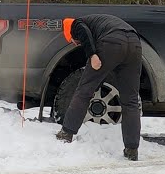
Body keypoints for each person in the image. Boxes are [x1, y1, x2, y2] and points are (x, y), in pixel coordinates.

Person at [55, 14, 143, 161]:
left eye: (74, 41)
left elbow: (83, 32)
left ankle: (66, 133)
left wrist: (93, 55)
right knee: (131, 101)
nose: (76, 44)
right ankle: (132, 149)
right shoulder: (100, 21)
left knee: (84, 91)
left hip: (112, 43)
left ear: (70, 32)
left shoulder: (76, 24)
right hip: (135, 44)